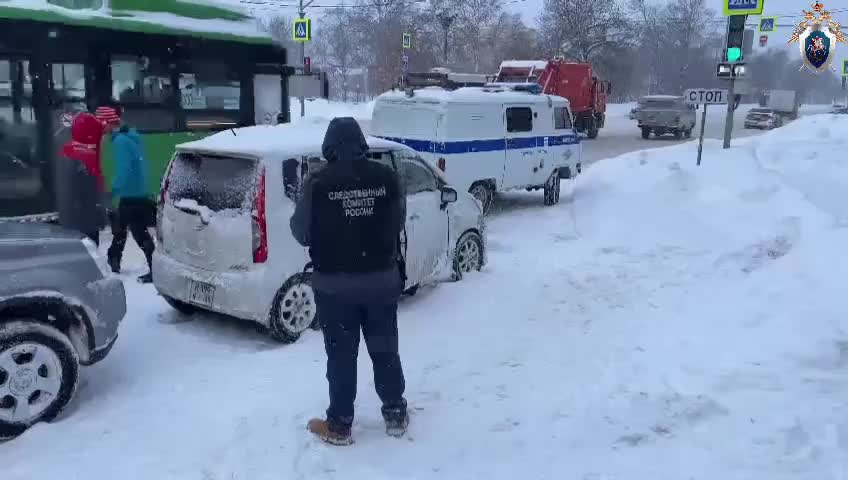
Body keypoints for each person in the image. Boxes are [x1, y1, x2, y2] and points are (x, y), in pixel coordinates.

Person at [290, 117, 409, 446]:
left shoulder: (318, 182)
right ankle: (395, 413)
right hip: (381, 282)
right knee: (385, 349)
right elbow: (398, 222)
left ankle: (340, 425)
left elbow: (300, 232)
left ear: (329, 147)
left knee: (342, 356)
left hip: (335, 288)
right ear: (361, 143)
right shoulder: (386, 177)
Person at [97, 105, 156, 283]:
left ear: (107, 123)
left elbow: (124, 170)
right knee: (132, 231)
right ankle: (115, 262)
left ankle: (114, 263)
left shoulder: (120, 142)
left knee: (128, 231)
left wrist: (112, 190)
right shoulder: (131, 136)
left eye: (101, 125)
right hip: (139, 192)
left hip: (131, 195)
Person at [58, 112, 106, 245]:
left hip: (81, 216)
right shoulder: (83, 154)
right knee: (89, 247)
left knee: (86, 247)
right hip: (84, 217)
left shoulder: (73, 152)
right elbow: (93, 187)